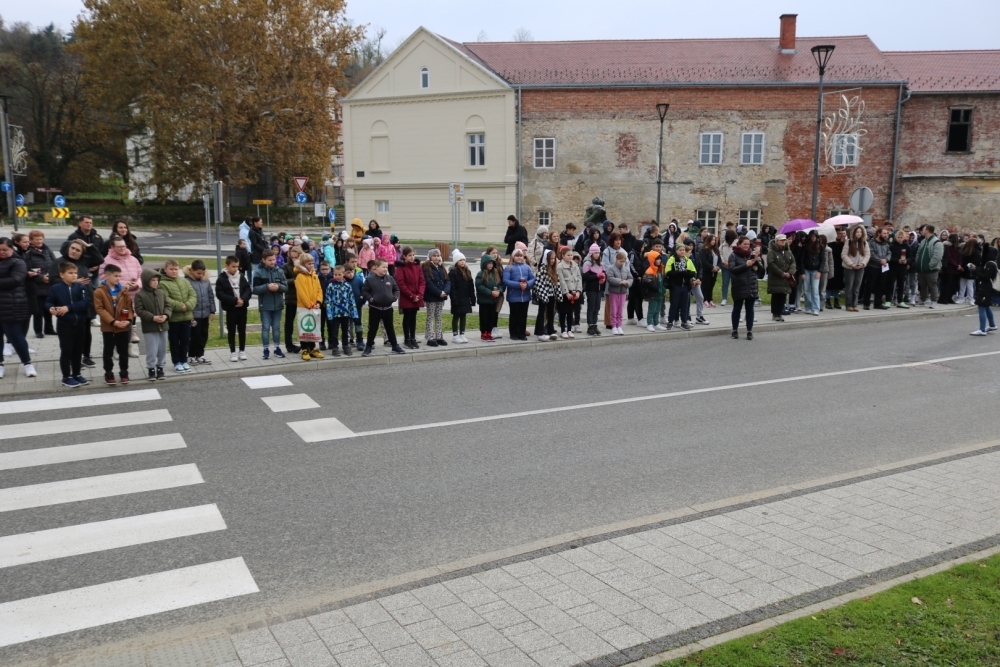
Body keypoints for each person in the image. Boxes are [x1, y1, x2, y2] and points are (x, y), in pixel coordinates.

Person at [46, 261, 92, 387]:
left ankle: (76, 374)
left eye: (75, 273)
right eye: (70, 273)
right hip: (65, 325)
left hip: (80, 323)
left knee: (78, 351)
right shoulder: (56, 288)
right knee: (67, 351)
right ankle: (66, 377)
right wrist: (51, 308)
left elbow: (85, 302)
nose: (73, 275)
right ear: (62, 275)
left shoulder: (81, 287)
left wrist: (68, 308)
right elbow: (48, 301)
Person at [0, 237, 37, 379]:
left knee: (16, 337)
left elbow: (15, 280)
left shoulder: (18, 262)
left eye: (5, 249)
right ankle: (0, 365)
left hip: (12, 306)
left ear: (12, 249)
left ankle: (27, 364)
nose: (2, 252)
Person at [101, 235, 143, 354]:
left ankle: (128, 346)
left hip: (132, 296)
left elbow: (140, 274)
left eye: (124, 246)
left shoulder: (133, 259)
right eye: (119, 247)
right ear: (112, 247)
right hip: (116, 296)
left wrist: (137, 284)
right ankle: (116, 349)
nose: (122, 249)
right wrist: (124, 284)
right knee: (117, 322)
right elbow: (103, 277)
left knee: (129, 321)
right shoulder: (107, 261)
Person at [93, 263, 132, 384]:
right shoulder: (99, 292)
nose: (118, 278)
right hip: (109, 327)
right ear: (106, 276)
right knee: (108, 351)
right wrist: (113, 321)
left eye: (119, 276)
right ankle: (108, 372)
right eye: (115, 276)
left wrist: (127, 320)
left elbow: (128, 307)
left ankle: (124, 371)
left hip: (122, 326)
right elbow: (100, 309)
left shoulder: (123, 291)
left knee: (123, 350)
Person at [159, 259, 197, 374]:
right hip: (173, 318)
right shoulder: (162, 283)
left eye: (176, 269)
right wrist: (181, 306)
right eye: (171, 269)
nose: (174, 271)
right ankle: (176, 362)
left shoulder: (184, 281)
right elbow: (166, 299)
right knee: (175, 341)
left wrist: (188, 305)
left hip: (186, 318)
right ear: (165, 270)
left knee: (185, 341)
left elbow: (193, 294)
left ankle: (184, 360)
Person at [361, 259, 405, 356]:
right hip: (375, 308)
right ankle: (368, 347)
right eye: (383, 267)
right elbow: (364, 291)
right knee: (372, 328)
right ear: (376, 267)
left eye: (386, 267)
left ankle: (395, 345)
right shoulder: (370, 279)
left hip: (388, 308)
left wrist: (394, 298)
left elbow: (396, 289)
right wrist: (371, 299)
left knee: (390, 328)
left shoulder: (390, 278)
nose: (385, 269)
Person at [134, 268, 170, 380]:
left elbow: (168, 306)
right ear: (146, 281)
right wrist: (152, 317)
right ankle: (151, 368)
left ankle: (160, 368)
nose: (156, 282)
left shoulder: (161, 293)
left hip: (163, 326)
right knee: (151, 349)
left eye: (157, 280)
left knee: (162, 348)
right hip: (150, 327)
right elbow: (140, 310)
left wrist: (166, 315)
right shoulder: (140, 295)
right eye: (153, 280)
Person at [252, 249, 287, 360]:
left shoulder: (279, 271)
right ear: (263, 260)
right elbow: (255, 289)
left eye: (274, 259)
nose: (272, 262)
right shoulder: (258, 272)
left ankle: (277, 348)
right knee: (266, 327)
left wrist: (278, 287)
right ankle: (266, 349)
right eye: (269, 260)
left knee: (276, 327)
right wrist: (267, 286)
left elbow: (285, 287)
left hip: (278, 305)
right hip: (265, 305)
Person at [215, 256, 251, 361]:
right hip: (231, 308)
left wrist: (243, 299)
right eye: (233, 266)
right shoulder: (222, 278)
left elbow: (248, 289)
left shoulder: (242, 276)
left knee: (242, 329)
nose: (235, 269)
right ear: (227, 266)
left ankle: (242, 350)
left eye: (237, 266)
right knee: (231, 330)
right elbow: (220, 294)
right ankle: (233, 351)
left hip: (242, 307)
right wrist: (234, 300)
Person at [729, 236, 763, 340]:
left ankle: (749, 331)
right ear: (739, 244)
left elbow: (761, 272)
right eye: (744, 244)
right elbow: (733, 269)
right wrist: (746, 265)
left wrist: (756, 261)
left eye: (748, 244)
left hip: (751, 285)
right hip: (739, 285)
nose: (746, 246)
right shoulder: (733, 255)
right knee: (737, 308)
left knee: (750, 309)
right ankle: (734, 330)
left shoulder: (752, 255)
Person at [183, 260, 216, 364]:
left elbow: (210, 295)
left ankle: (200, 354)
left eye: (202, 273)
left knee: (203, 335)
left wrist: (212, 310)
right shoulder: (187, 282)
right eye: (198, 273)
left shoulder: (206, 281)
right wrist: (189, 313)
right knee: (194, 336)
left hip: (205, 313)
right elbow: (185, 298)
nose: (200, 275)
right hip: (194, 314)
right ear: (192, 271)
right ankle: (191, 355)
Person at [25, 230, 57, 338]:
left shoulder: (47, 251)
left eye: (41, 239)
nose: (39, 241)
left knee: (49, 308)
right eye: (37, 239)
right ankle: (38, 330)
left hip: (49, 284)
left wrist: (50, 276)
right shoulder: (28, 253)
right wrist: (41, 278)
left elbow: (55, 264)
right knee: (37, 310)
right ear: (31, 241)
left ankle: (49, 328)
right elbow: (27, 269)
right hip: (36, 286)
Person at [61, 215, 104, 290]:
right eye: (86, 222)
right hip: (81, 272)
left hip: (95, 273)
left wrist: (96, 264)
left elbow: (102, 253)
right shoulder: (73, 237)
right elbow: (66, 253)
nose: (89, 224)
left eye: (90, 223)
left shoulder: (98, 237)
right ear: (80, 223)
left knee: (95, 293)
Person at [295, 253, 324, 360]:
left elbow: (319, 290)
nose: (311, 265)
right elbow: (302, 293)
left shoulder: (315, 276)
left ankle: (313, 348)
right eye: (309, 263)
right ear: (303, 264)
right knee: (305, 328)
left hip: (314, 306)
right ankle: (304, 349)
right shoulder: (300, 277)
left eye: (312, 263)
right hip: (304, 307)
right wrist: (309, 304)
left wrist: (318, 302)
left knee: (313, 327)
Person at [395, 246, 424, 349]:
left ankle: (413, 338)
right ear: (404, 256)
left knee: (414, 317)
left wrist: (419, 295)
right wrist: (411, 296)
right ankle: (407, 339)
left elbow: (422, 281)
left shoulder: (417, 266)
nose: (412, 257)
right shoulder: (401, 268)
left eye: (413, 255)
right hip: (407, 297)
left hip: (416, 296)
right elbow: (401, 284)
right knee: (407, 317)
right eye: (409, 255)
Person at [324, 264, 357, 356]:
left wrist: (354, 313)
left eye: (339, 274)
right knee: (334, 331)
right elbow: (328, 300)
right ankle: (335, 347)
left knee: (345, 330)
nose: (337, 276)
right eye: (335, 274)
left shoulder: (347, 286)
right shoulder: (331, 286)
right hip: (335, 313)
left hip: (345, 313)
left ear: (343, 274)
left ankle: (346, 345)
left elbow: (351, 299)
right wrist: (329, 314)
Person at [503, 248, 535, 340]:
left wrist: (527, 284)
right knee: (514, 315)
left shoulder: (527, 267)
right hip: (514, 296)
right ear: (513, 257)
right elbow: (505, 280)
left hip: (525, 296)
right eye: (517, 256)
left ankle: (521, 333)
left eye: (520, 256)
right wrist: (518, 285)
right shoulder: (509, 267)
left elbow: (532, 279)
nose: (519, 258)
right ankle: (513, 333)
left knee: (523, 316)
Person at [422, 248, 450, 346]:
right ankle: (430, 337)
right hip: (431, 297)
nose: (436, 258)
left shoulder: (441, 267)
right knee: (430, 317)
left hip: (441, 296)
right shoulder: (426, 268)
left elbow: (447, 280)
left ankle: (439, 336)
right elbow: (428, 283)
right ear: (430, 257)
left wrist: (445, 291)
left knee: (438, 316)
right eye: (434, 256)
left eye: (438, 256)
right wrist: (438, 292)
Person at [969, 246, 999, 336]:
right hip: (986, 287)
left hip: (986, 288)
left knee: (981, 307)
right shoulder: (990, 263)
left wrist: (975, 271)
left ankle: (982, 329)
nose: (982, 254)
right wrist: (976, 268)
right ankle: (992, 325)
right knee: (986, 306)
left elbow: (985, 277)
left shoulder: (990, 264)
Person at [665, 244, 696, 330]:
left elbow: (693, 272)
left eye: (683, 250)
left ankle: (684, 322)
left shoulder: (687, 260)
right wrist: (679, 273)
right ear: (676, 251)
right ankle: (670, 321)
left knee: (684, 305)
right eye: (680, 250)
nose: (682, 251)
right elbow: (668, 272)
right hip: (675, 285)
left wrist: (686, 273)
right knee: (674, 304)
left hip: (685, 286)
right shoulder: (672, 259)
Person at [532, 249, 560, 341]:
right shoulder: (543, 269)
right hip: (544, 295)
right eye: (550, 258)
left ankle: (550, 329)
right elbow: (539, 283)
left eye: (553, 258)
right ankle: (539, 331)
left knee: (551, 312)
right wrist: (544, 295)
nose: (552, 260)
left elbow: (557, 282)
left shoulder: (554, 269)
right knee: (542, 312)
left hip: (552, 294)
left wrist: (557, 294)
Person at [448, 251, 475, 343]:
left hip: (465, 298)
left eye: (464, 260)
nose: (463, 262)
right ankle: (455, 335)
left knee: (463, 316)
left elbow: (471, 286)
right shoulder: (453, 273)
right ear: (456, 262)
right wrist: (454, 299)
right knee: (456, 316)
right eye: (460, 260)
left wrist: (472, 298)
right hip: (457, 298)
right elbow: (452, 288)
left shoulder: (468, 272)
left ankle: (462, 333)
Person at [476, 254, 504, 342]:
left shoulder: (495, 273)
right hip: (484, 300)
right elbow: (479, 286)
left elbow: (500, 284)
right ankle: (484, 332)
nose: (491, 265)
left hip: (493, 300)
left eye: (492, 263)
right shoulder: (481, 274)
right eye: (489, 263)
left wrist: (499, 291)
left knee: (491, 317)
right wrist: (490, 292)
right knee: (484, 317)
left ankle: (489, 331)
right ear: (485, 264)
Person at [767, 233, 795, 321]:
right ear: (776, 241)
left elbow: (793, 262)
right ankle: (775, 314)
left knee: (783, 295)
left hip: (785, 278)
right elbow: (771, 263)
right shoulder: (772, 252)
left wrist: (790, 272)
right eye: (781, 240)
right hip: (776, 277)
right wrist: (781, 273)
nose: (783, 242)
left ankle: (780, 313)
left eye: (784, 240)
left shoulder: (788, 251)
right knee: (776, 296)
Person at [841, 225, 869, 312]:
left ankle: (854, 304)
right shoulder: (849, 242)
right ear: (854, 233)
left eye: (860, 232)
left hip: (860, 267)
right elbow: (844, 255)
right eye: (857, 232)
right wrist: (851, 264)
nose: (859, 234)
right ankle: (849, 304)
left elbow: (867, 255)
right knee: (849, 286)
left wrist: (862, 263)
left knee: (857, 287)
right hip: (850, 267)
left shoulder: (864, 243)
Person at [556, 246, 582, 339]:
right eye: (568, 255)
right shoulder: (560, 266)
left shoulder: (575, 265)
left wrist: (578, 291)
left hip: (574, 292)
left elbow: (579, 278)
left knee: (571, 312)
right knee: (563, 312)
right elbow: (562, 281)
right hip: (565, 293)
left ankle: (569, 329)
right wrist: (566, 293)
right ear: (563, 256)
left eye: (571, 255)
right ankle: (563, 330)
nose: (570, 257)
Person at [605, 248, 632, 336]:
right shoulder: (611, 268)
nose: (622, 263)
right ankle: (613, 326)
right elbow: (610, 278)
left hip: (623, 292)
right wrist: (620, 281)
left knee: (620, 310)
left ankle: (619, 325)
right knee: (614, 309)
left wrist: (627, 282)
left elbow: (630, 278)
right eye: (620, 261)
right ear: (616, 260)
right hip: (614, 292)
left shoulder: (626, 269)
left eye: (623, 262)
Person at [864, 226, 892, 310]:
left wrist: (886, 259)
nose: (886, 235)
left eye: (887, 233)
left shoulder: (886, 244)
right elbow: (871, 254)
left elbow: (889, 253)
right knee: (869, 285)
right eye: (884, 233)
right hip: (873, 267)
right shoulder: (871, 243)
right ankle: (866, 303)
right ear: (879, 233)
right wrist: (880, 260)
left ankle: (878, 303)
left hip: (883, 267)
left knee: (881, 286)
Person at [916, 225, 943, 307]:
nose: (922, 231)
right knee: (923, 285)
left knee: (932, 285)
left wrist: (930, 266)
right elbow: (918, 253)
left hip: (932, 269)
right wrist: (917, 262)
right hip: (921, 269)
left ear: (927, 230)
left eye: (923, 229)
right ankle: (923, 299)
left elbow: (937, 256)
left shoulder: (937, 242)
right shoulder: (924, 241)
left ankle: (934, 301)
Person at [581, 244, 605, 336]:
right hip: (591, 289)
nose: (597, 254)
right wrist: (596, 276)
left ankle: (595, 324)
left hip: (599, 289)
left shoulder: (600, 264)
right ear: (591, 253)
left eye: (598, 252)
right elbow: (586, 276)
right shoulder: (587, 263)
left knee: (597, 307)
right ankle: (590, 325)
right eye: (595, 252)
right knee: (591, 307)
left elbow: (604, 272)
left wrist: (603, 278)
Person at [282, 246, 302, 353]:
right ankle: (288, 344)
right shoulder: (286, 267)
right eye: (292, 257)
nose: (294, 259)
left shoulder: (303, 265)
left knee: (303, 321)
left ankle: (305, 342)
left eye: (296, 257)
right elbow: (283, 280)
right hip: (291, 298)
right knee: (289, 322)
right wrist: (294, 281)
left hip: (303, 298)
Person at [483, 246, 505, 339]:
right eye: (493, 253)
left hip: (498, 291)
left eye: (496, 253)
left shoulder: (499, 264)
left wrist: (500, 290)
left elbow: (502, 279)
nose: (495, 255)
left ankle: (495, 327)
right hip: (490, 293)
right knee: (490, 311)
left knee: (496, 311)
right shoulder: (486, 264)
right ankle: (489, 329)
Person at [642, 246, 666, 331]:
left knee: (657, 309)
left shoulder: (660, 270)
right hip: (653, 293)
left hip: (660, 293)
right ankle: (649, 324)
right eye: (657, 259)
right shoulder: (649, 271)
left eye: (660, 259)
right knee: (652, 309)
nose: (659, 261)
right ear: (652, 260)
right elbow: (647, 281)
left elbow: (663, 280)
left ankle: (656, 323)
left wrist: (663, 289)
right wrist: (655, 288)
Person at [801, 232, 823, 316]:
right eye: (812, 236)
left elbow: (822, 260)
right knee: (806, 290)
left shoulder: (821, 247)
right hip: (806, 269)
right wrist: (802, 272)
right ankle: (808, 307)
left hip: (815, 270)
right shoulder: (805, 247)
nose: (813, 238)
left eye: (815, 236)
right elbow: (802, 260)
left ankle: (815, 308)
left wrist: (819, 271)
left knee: (815, 289)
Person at [888, 230, 911, 308]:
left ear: (904, 237)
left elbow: (911, 257)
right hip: (893, 267)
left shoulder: (907, 246)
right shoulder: (891, 246)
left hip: (902, 268)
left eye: (901, 237)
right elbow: (889, 257)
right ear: (896, 237)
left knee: (901, 285)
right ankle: (888, 300)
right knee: (890, 284)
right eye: (898, 237)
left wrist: (906, 261)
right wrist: (897, 260)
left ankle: (900, 300)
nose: (900, 239)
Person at [938, 230, 962, 305]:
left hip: (955, 269)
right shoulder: (947, 246)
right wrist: (956, 265)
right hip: (948, 269)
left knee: (952, 285)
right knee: (946, 285)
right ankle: (943, 298)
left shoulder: (957, 248)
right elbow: (949, 257)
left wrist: (959, 265)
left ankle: (949, 297)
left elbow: (959, 257)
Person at [826, 227, 847, 309]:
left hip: (839, 266)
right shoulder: (830, 244)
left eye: (840, 234)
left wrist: (844, 242)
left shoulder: (843, 244)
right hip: (831, 265)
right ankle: (828, 300)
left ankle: (836, 300)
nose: (838, 235)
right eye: (837, 234)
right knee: (830, 284)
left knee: (837, 285)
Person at [956, 237, 981, 305]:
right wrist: (962, 267)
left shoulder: (976, 252)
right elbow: (962, 260)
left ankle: (971, 299)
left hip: (970, 271)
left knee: (969, 286)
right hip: (964, 270)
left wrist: (964, 267)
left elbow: (975, 262)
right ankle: (961, 298)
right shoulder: (965, 250)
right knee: (962, 285)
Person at [699, 235, 721, 308]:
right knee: (705, 285)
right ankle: (704, 299)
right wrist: (711, 267)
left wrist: (718, 267)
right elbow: (703, 261)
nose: (713, 241)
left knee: (711, 285)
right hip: (707, 271)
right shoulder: (703, 250)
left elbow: (719, 260)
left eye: (714, 240)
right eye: (712, 240)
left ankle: (710, 299)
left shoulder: (716, 250)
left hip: (714, 271)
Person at [317, 260, 333, 350]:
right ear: (320, 269)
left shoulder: (332, 278)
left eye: (326, 269)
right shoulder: (317, 278)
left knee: (331, 324)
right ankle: (321, 342)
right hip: (321, 304)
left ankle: (331, 341)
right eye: (323, 269)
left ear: (330, 269)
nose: (324, 271)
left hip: (330, 305)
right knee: (321, 324)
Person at [719, 230, 736, 306]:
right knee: (725, 283)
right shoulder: (723, 244)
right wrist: (723, 261)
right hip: (725, 266)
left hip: (734, 267)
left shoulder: (737, 243)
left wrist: (732, 263)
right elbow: (720, 253)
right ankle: (724, 298)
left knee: (734, 283)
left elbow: (737, 255)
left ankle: (735, 298)